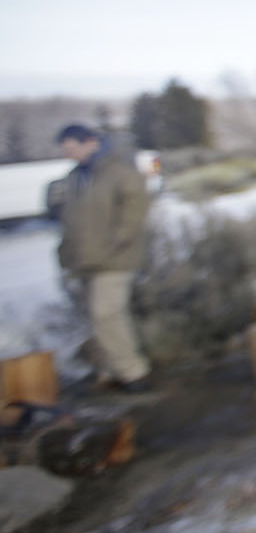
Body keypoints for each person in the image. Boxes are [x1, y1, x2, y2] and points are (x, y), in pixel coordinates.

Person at [56, 124, 152, 393]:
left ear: (91, 143)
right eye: (65, 150)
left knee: (107, 314)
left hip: (114, 258)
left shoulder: (118, 171)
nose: (69, 154)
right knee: (96, 318)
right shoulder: (76, 177)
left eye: (72, 148)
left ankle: (133, 372)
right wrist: (65, 251)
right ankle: (110, 370)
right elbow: (71, 219)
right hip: (85, 259)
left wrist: (117, 242)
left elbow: (135, 210)